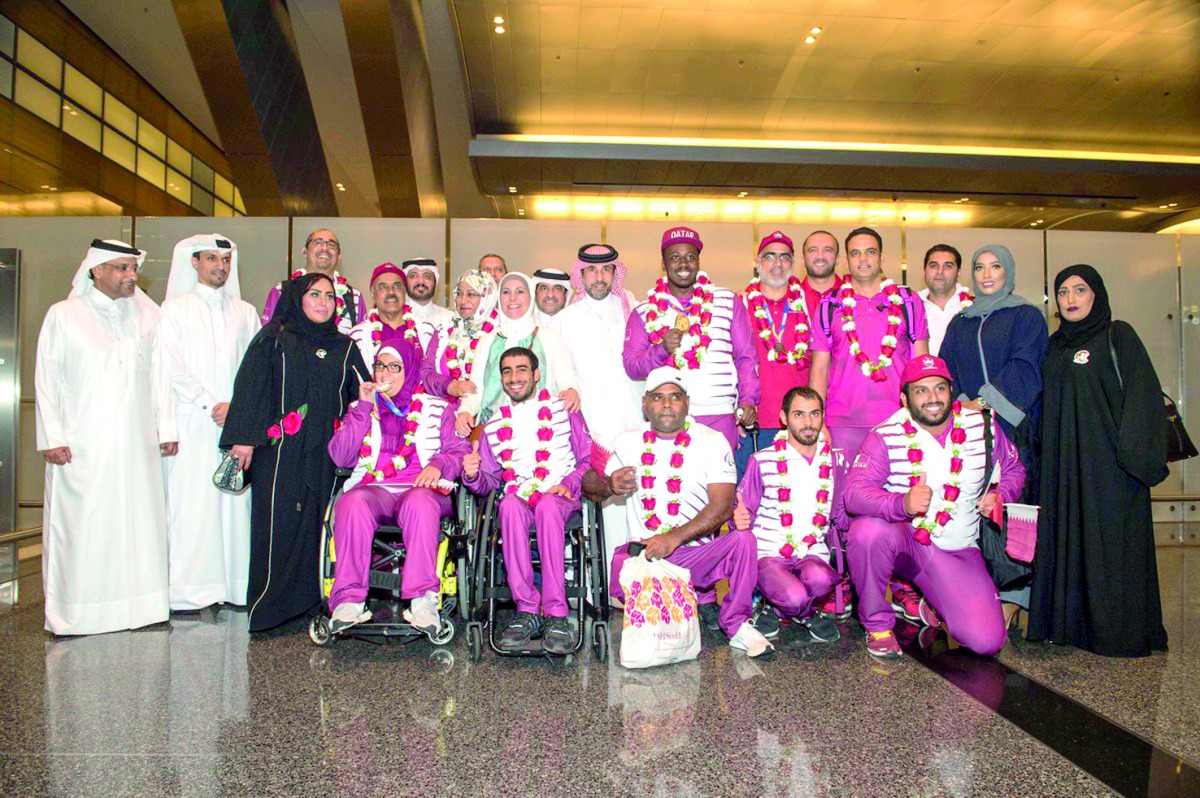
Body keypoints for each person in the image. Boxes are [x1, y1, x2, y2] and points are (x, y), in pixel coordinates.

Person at [35, 239, 178, 635]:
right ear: (96, 270)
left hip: (138, 444)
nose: (131, 276)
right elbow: (47, 378)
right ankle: (81, 612)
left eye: (133, 269)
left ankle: (139, 608)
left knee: (139, 524)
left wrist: (166, 427)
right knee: (85, 526)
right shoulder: (64, 315)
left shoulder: (145, 318)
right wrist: (51, 435)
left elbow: (159, 376)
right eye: (121, 268)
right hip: (83, 443)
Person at [1028, 265, 1169, 658]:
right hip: (1064, 471)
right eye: (1062, 292)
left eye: (1080, 290)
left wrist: (1132, 462)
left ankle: (1115, 633)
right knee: (1070, 544)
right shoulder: (1056, 346)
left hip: (1111, 471)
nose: (1070, 299)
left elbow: (1142, 399)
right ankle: (1072, 629)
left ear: (1097, 294)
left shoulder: (1118, 335)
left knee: (1111, 550)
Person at [843, 355, 1025, 659]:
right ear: (904, 398)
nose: (932, 398)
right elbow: (854, 493)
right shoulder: (885, 434)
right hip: (908, 543)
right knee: (866, 532)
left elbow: (1014, 469)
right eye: (921, 390)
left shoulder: (982, 425)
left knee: (987, 641)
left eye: (939, 388)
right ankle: (877, 625)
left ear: (950, 391)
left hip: (960, 550)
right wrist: (901, 503)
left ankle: (934, 598)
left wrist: (999, 493)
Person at [221, 272, 368, 632]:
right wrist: (243, 440)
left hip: (326, 456)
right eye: (314, 294)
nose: (323, 302)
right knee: (279, 526)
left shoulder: (345, 347)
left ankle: (316, 601)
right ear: (298, 298)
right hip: (279, 453)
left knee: (319, 528)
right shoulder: (274, 338)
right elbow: (251, 387)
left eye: (330, 297)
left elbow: (364, 394)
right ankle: (270, 608)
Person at [603, 367, 774, 658]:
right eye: (658, 397)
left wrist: (673, 538)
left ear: (687, 403)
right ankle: (691, 604)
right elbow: (589, 488)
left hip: (695, 558)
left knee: (744, 539)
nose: (667, 404)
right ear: (645, 404)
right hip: (647, 560)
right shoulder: (626, 441)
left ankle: (736, 625)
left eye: (675, 396)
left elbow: (722, 505)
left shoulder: (712, 440)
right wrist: (609, 482)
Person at [325, 342, 468, 634]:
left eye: (395, 367)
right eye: (380, 365)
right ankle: (349, 601)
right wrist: (364, 407)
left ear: (410, 370)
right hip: (375, 488)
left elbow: (457, 450)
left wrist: (438, 464)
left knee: (419, 503)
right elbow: (340, 457)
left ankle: (422, 600)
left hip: (423, 490)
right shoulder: (361, 407)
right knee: (352, 502)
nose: (385, 373)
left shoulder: (437, 407)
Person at [461, 347, 593, 654]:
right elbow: (490, 483)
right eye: (507, 371)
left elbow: (587, 460)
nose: (514, 378)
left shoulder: (564, 409)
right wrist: (472, 475)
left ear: (536, 374)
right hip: (519, 500)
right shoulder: (493, 426)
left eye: (521, 370)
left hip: (560, 497)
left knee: (547, 505)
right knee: (506, 504)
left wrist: (568, 484)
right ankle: (527, 610)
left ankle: (557, 613)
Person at [940, 245, 1048, 611]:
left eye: (996, 266)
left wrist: (984, 402)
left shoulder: (1026, 316)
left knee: (1012, 506)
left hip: (1012, 426)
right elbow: (944, 370)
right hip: (970, 429)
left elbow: (1026, 367)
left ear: (1009, 271)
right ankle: (979, 592)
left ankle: (1016, 597)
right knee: (974, 504)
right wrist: (960, 404)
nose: (987, 274)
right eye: (980, 267)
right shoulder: (962, 321)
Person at [159, 233, 259, 611]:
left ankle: (236, 587)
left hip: (238, 424)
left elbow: (254, 368)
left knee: (235, 506)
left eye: (226, 260)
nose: (220, 266)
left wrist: (238, 408)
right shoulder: (174, 309)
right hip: (192, 422)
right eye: (212, 259)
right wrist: (209, 403)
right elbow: (171, 365)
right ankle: (191, 591)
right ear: (195, 263)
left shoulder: (245, 312)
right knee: (193, 505)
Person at [623, 226, 760, 451]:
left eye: (690, 257)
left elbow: (746, 356)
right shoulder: (643, 311)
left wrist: (748, 400)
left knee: (720, 486)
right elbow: (631, 365)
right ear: (664, 264)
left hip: (719, 416)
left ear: (698, 261)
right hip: (665, 420)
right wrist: (661, 349)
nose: (683, 264)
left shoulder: (727, 300)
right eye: (675, 257)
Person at [733, 386, 845, 643]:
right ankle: (805, 613)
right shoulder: (762, 460)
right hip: (769, 554)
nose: (808, 423)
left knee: (820, 581)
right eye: (799, 415)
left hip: (811, 551)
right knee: (795, 597)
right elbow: (743, 509)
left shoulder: (835, 462)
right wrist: (736, 517)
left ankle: (776, 608)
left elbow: (841, 510)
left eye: (815, 414)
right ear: (783, 418)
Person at [555, 245, 643, 568]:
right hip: (593, 427)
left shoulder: (632, 308)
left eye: (606, 269)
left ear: (615, 273)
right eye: (591, 270)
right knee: (600, 506)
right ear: (580, 274)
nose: (599, 276)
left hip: (634, 421)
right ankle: (599, 588)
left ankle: (635, 582)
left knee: (635, 503)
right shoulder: (565, 319)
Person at [809, 227, 929, 459]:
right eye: (855, 253)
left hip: (898, 420)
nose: (863, 259)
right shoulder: (829, 305)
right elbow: (819, 368)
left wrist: (921, 418)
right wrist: (817, 419)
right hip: (842, 423)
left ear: (882, 257)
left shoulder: (908, 301)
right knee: (843, 494)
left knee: (900, 493)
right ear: (846, 260)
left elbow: (921, 364)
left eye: (870, 252)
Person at [458, 271, 581, 433]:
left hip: (542, 434)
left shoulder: (549, 337)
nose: (513, 298)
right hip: (493, 435)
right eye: (506, 292)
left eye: (520, 291)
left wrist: (572, 391)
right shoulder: (487, 341)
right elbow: (476, 388)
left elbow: (567, 379)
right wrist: (465, 411)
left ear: (530, 297)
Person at [737, 231, 816, 476]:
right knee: (749, 503)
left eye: (784, 257)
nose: (777, 264)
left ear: (794, 264)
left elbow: (824, 366)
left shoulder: (809, 304)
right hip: (753, 424)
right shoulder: (739, 304)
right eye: (770, 256)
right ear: (758, 263)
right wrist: (736, 412)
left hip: (801, 425)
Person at [420, 268, 500, 412]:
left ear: (486, 296)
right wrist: (450, 386)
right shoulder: (444, 329)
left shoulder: (500, 331)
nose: (462, 301)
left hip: (487, 418)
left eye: (471, 294)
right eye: (459, 294)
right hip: (444, 416)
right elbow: (426, 372)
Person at [261, 228, 366, 333]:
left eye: (331, 245)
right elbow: (267, 340)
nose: (325, 248)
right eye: (318, 242)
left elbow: (360, 343)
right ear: (305, 252)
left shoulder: (354, 297)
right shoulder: (282, 291)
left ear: (339, 256)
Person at [348, 263, 425, 370]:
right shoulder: (357, 336)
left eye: (397, 286)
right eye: (383, 287)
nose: (391, 292)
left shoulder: (425, 331)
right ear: (372, 293)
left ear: (404, 292)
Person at [918, 244, 972, 356]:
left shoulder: (974, 308)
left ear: (959, 272)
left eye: (948, 266)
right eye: (933, 265)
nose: (940, 271)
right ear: (924, 271)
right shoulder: (909, 309)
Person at [402, 257, 454, 334]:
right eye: (414, 276)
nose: (420, 281)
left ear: (435, 283)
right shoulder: (395, 318)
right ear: (405, 282)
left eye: (427, 276)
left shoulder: (450, 318)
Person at [798, 230, 846, 313]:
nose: (820, 256)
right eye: (813, 250)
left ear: (837, 259)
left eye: (827, 250)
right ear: (803, 260)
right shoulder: (790, 298)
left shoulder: (854, 295)